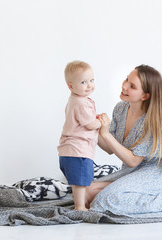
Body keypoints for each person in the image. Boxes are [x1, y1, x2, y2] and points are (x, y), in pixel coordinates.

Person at [85, 64, 162, 217]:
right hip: (130, 172)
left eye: (132, 86)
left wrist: (105, 134)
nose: (124, 86)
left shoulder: (150, 122)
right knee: (84, 193)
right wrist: (91, 127)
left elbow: (133, 160)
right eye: (126, 80)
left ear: (145, 96)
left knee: (101, 201)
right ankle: (125, 194)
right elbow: (110, 148)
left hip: (151, 176)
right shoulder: (120, 108)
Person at [57, 60, 102, 211]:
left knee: (80, 181)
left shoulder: (76, 100)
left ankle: (80, 204)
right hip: (78, 150)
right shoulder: (81, 103)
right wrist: (101, 122)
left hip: (71, 150)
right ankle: (80, 206)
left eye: (91, 80)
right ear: (71, 86)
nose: (89, 85)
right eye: (83, 82)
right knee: (80, 182)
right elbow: (90, 124)